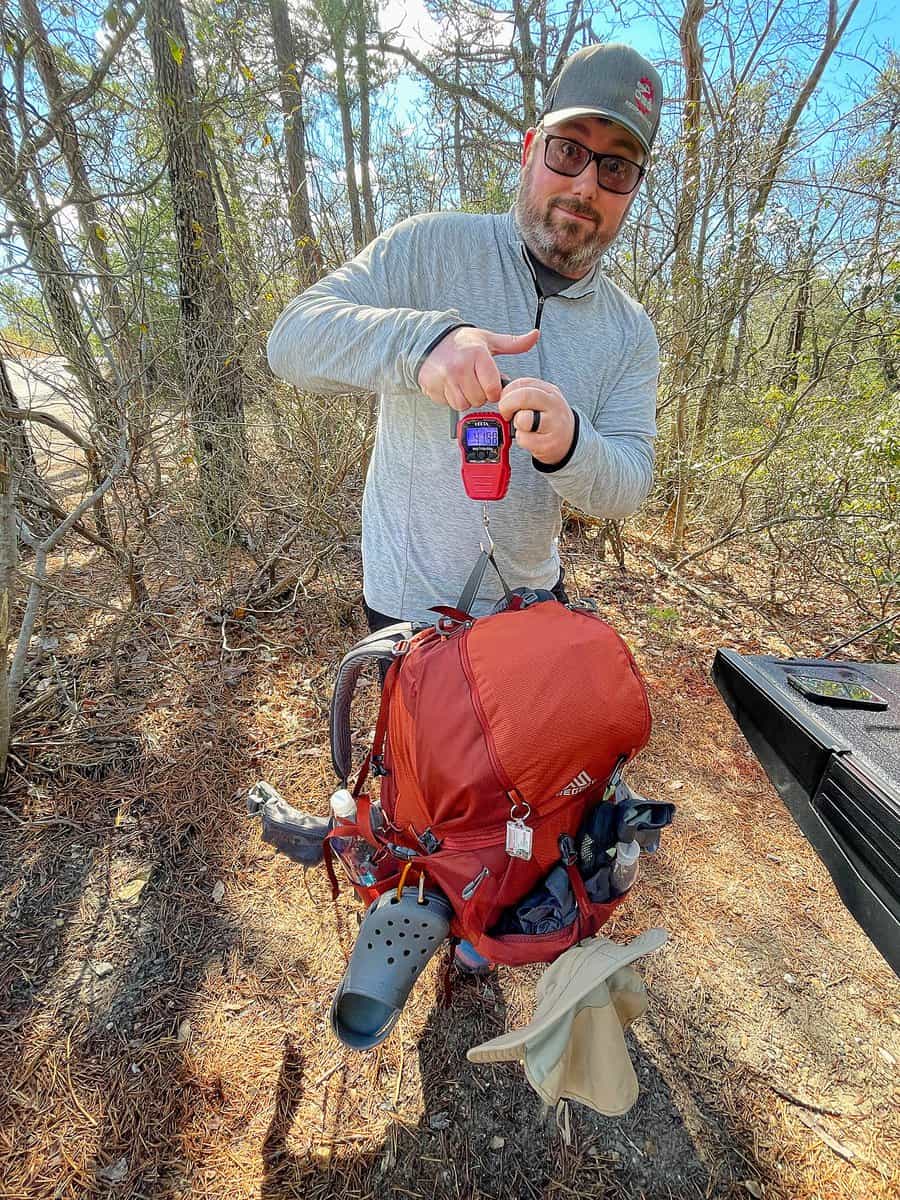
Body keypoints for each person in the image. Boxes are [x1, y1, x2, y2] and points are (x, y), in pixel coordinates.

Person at [267, 42, 663, 631]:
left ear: (633, 187)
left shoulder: (630, 331)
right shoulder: (429, 247)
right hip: (412, 611)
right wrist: (422, 344)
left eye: (616, 166)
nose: (586, 185)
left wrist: (570, 442)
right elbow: (291, 339)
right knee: (419, 730)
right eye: (568, 150)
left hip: (533, 603)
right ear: (531, 151)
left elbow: (628, 486)